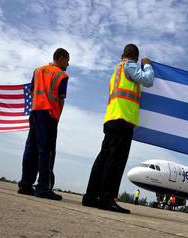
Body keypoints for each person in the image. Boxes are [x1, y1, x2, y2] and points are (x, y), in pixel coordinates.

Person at [82, 44, 154, 214]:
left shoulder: (116, 71)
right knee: (116, 160)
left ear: (122, 55)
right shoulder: (129, 66)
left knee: (103, 159)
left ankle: (91, 196)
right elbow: (148, 80)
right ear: (135, 58)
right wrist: (148, 64)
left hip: (111, 118)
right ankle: (107, 199)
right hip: (123, 119)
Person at [18, 48, 69, 201]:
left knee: (31, 148)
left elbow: (31, 91)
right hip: (49, 115)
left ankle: (25, 184)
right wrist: (57, 117)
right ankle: (43, 187)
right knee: (46, 151)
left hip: (35, 112)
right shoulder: (62, 75)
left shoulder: (38, 70)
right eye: (67, 59)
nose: (68, 63)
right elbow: (60, 99)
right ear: (60, 58)